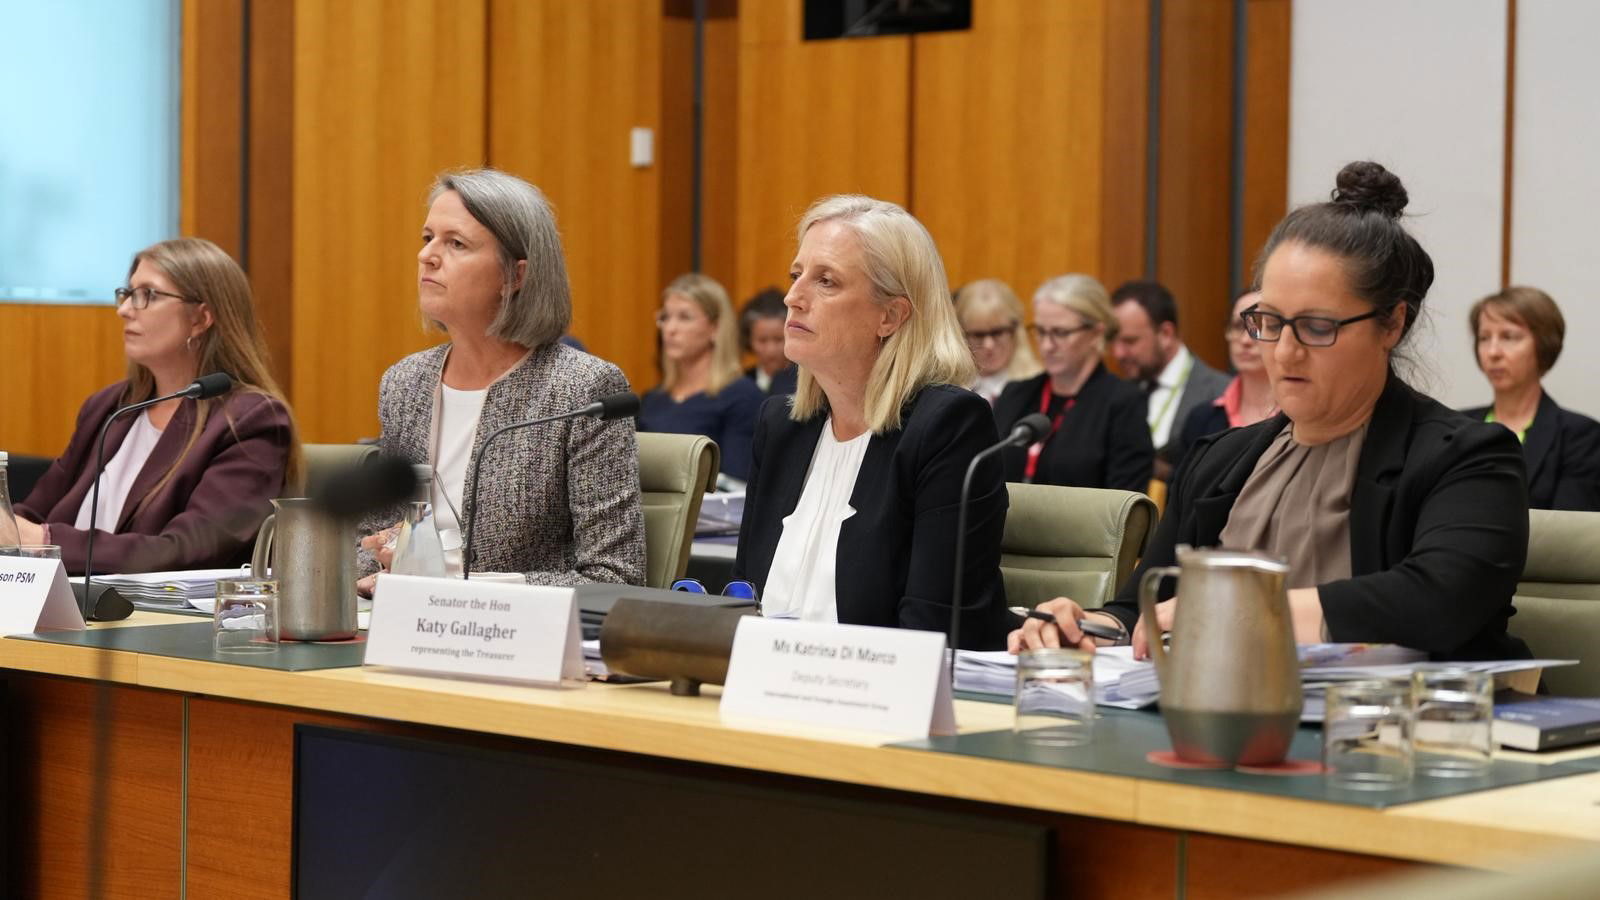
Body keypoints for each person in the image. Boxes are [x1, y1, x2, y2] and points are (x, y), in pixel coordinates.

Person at [1012, 161, 1530, 662]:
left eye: (1317, 327)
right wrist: (1086, 628)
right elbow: (1141, 610)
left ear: (1392, 324)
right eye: (1268, 322)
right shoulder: (1220, 458)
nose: (1284, 352)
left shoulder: (1468, 457)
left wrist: (1231, 608)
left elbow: (1438, 601)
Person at [732, 194, 1012, 648]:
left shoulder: (947, 427)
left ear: (890, 315)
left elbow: (932, 630)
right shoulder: (782, 426)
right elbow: (742, 598)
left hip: (875, 704)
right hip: (765, 693)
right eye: (796, 274)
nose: (793, 297)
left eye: (826, 281)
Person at [357, 168, 646, 592]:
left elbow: (616, 578)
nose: (428, 256)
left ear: (516, 276)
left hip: (510, 642)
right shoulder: (406, 384)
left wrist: (456, 587)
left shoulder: (581, 389)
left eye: (455, 243)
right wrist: (378, 555)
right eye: (427, 238)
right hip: (396, 628)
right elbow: (370, 537)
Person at [15, 238, 297, 575]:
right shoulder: (109, 408)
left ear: (200, 318)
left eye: (148, 295)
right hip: (63, 604)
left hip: (168, 621)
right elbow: (33, 514)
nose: (124, 309)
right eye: (128, 293)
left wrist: (43, 540)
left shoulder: (249, 420)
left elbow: (186, 550)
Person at [991, 275, 1153, 491]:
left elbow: (1124, 506)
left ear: (1096, 333)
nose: (1047, 345)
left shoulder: (1122, 403)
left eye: (1060, 333)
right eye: (1040, 331)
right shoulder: (1016, 394)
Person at [1463, 286, 1600, 511]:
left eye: (1508, 337)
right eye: (1484, 338)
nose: (1493, 352)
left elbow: (1568, 534)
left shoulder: (1581, 437)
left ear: (1544, 344)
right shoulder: (1454, 428)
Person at [638, 274, 767, 482]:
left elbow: (735, 486)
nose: (670, 329)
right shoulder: (653, 400)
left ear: (715, 328)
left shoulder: (742, 397)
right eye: (665, 317)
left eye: (684, 317)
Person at [1110, 280, 1230, 477]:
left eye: (1130, 341)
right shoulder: (1119, 392)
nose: (1118, 353)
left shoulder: (1220, 393)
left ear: (1166, 334)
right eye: (1113, 341)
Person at [1169, 290, 1277, 469]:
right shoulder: (1202, 418)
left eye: (1259, 326)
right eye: (1237, 326)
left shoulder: (1300, 418)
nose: (1245, 340)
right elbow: (1180, 492)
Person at [953, 278, 1042, 405]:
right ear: (962, 335)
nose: (989, 345)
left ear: (1015, 332)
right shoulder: (948, 386)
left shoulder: (1036, 389)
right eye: (978, 335)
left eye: (997, 333)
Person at [738, 287, 798, 395]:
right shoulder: (739, 383)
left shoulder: (806, 384)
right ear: (748, 340)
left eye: (779, 339)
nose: (771, 350)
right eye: (762, 341)